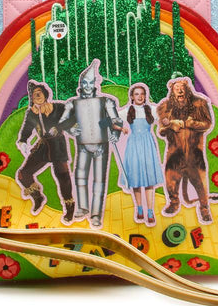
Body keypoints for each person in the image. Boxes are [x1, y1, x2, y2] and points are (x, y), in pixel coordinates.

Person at [55, 60, 122, 228]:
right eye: (84, 83)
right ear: (80, 84)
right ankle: (83, 207)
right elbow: (62, 122)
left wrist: (115, 133)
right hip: (83, 145)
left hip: (101, 145)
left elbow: (116, 120)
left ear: (95, 84)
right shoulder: (72, 103)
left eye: (90, 83)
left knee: (99, 180)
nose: (87, 86)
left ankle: (96, 214)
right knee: (80, 176)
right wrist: (71, 129)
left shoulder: (105, 101)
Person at [15, 81, 75, 224]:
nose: (37, 97)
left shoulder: (58, 107)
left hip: (58, 145)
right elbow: (27, 129)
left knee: (63, 177)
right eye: (34, 95)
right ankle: (38, 197)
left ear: (45, 94)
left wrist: (59, 127)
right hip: (43, 146)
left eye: (39, 94)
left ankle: (69, 206)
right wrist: (23, 141)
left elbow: (73, 117)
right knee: (23, 174)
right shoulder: (32, 113)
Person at [156, 77, 214, 224]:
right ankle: (174, 203)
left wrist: (191, 123)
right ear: (172, 91)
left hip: (194, 152)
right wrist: (170, 125)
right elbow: (161, 131)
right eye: (177, 89)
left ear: (187, 89)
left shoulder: (199, 103)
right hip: (174, 152)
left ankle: (204, 208)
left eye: (182, 88)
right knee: (171, 179)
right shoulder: (165, 107)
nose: (180, 91)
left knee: (200, 182)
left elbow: (207, 124)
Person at [117, 84, 164, 226]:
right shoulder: (127, 111)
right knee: (136, 178)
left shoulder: (152, 109)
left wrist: (165, 123)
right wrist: (121, 128)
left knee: (149, 180)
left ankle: (150, 211)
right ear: (132, 96)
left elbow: (164, 118)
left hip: (147, 145)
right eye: (137, 94)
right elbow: (109, 120)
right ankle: (139, 208)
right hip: (134, 145)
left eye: (142, 93)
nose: (140, 96)